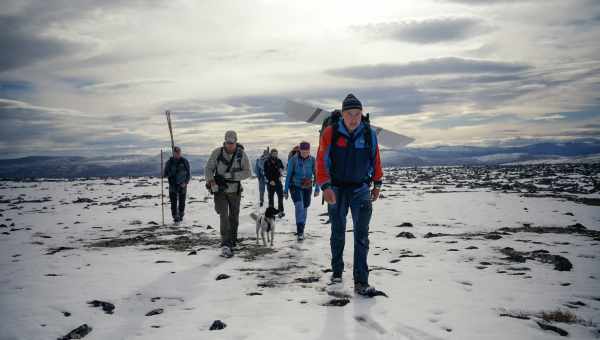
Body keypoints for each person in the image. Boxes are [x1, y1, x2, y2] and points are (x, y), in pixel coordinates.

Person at [316, 93, 383, 296]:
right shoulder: (330, 133)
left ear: (362, 114)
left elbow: (376, 160)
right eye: (349, 114)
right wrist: (325, 186)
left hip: (361, 189)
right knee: (338, 232)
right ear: (343, 115)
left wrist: (377, 184)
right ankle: (337, 272)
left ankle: (361, 281)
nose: (354, 118)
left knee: (361, 235)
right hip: (336, 189)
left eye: (357, 114)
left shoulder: (369, 134)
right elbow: (321, 161)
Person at [205, 130, 252, 258]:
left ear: (236, 142)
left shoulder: (241, 155)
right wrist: (211, 181)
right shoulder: (217, 153)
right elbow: (208, 168)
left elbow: (248, 172)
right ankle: (226, 243)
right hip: (220, 191)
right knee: (224, 216)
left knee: (234, 217)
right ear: (225, 141)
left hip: (235, 191)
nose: (230, 145)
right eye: (228, 142)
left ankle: (233, 240)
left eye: (232, 143)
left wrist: (230, 175)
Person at [284, 141, 320, 241]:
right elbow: (288, 176)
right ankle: (300, 231)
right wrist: (286, 190)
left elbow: (317, 174)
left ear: (309, 151)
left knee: (304, 208)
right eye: (303, 151)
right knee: (299, 205)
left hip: (307, 187)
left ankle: (302, 229)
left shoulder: (312, 160)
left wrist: (317, 188)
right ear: (300, 150)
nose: (305, 153)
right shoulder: (293, 160)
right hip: (295, 186)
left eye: (307, 151)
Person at [163, 146, 190, 224]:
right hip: (173, 185)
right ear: (173, 153)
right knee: (173, 202)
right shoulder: (169, 162)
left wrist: (185, 182)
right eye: (176, 152)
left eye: (179, 152)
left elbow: (188, 174)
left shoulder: (184, 161)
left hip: (183, 185)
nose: (177, 154)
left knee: (182, 202)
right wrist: (172, 173)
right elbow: (165, 174)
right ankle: (175, 217)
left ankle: (181, 215)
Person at [264, 148, 285, 217]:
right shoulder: (267, 162)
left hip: (278, 182)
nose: (275, 155)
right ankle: (271, 213)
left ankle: (281, 212)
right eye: (274, 153)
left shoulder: (279, 161)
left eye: (276, 153)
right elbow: (266, 172)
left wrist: (281, 171)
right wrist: (270, 181)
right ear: (271, 154)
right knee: (271, 198)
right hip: (270, 183)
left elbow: (282, 168)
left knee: (280, 197)